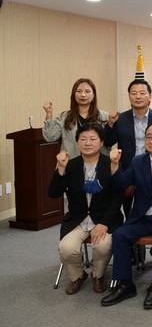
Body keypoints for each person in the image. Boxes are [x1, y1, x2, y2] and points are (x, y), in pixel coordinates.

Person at [100, 122, 152, 309]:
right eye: (148, 137)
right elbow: (122, 183)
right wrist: (114, 165)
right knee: (120, 235)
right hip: (141, 217)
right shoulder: (137, 161)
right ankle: (125, 284)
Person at [48, 123, 123, 295]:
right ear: (77, 142)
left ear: (101, 142)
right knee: (66, 248)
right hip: (77, 219)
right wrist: (61, 168)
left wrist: (104, 223)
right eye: (83, 139)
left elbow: (117, 198)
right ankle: (78, 276)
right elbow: (53, 193)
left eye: (92, 139)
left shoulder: (110, 163)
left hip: (104, 219)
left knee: (103, 245)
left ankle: (98, 275)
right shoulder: (70, 165)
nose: (87, 143)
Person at [103, 79, 152, 217]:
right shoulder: (120, 119)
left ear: (150, 96)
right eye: (134, 93)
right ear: (129, 96)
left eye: (142, 93)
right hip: (128, 170)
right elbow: (108, 142)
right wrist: (110, 125)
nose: (138, 96)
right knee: (129, 210)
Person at [43, 78, 109, 157]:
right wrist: (49, 114)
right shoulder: (64, 117)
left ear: (93, 95)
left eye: (87, 91)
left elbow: (109, 141)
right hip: (71, 161)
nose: (83, 95)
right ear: (73, 95)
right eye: (79, 91)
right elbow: (50, 137)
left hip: (97, 162)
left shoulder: (104, 116)